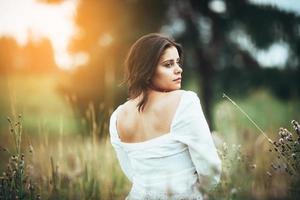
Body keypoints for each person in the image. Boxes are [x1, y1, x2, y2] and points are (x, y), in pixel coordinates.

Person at [109, 33, 221, 200]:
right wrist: (197, 192)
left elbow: (130, 171)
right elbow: (210, 168)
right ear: (146, 69)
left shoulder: (117, 117)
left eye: (178, 62)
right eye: (168, 64)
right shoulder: (185, 102)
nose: (179, 69)